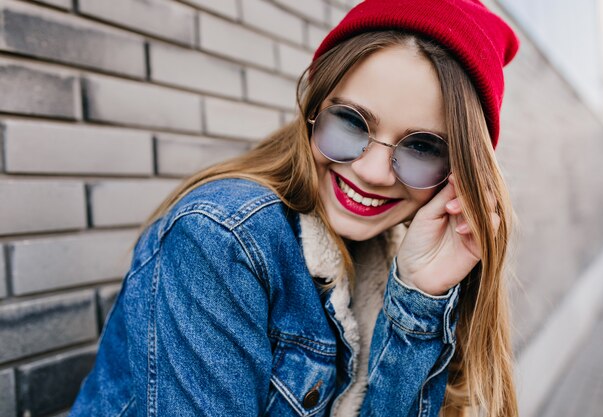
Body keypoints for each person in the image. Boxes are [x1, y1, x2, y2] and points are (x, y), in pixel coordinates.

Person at [69, 0, 520, 416]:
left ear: (457, 172)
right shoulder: (222, 239)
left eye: (422, 147)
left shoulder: (402, 255)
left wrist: (420, 297)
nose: (375, 172)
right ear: (313, 108)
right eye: (351, 122)